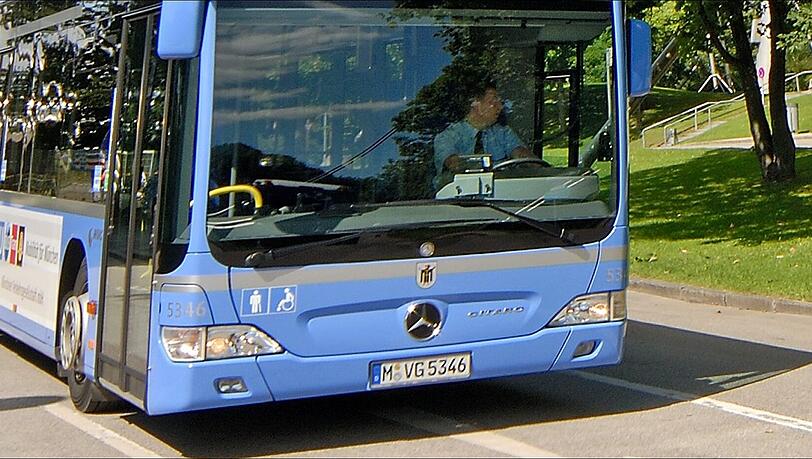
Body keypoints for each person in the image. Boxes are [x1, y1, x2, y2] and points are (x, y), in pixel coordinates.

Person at [433, 83, 535, 187]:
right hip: (456, 197)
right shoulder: (447, 137)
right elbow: (453, 163)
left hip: (499, 194)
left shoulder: (503, 133)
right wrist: (471, 166)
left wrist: (539, 167)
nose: (500, 107)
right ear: (475, 103)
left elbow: (522, 154)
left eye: (500, 102)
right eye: (493, 101)